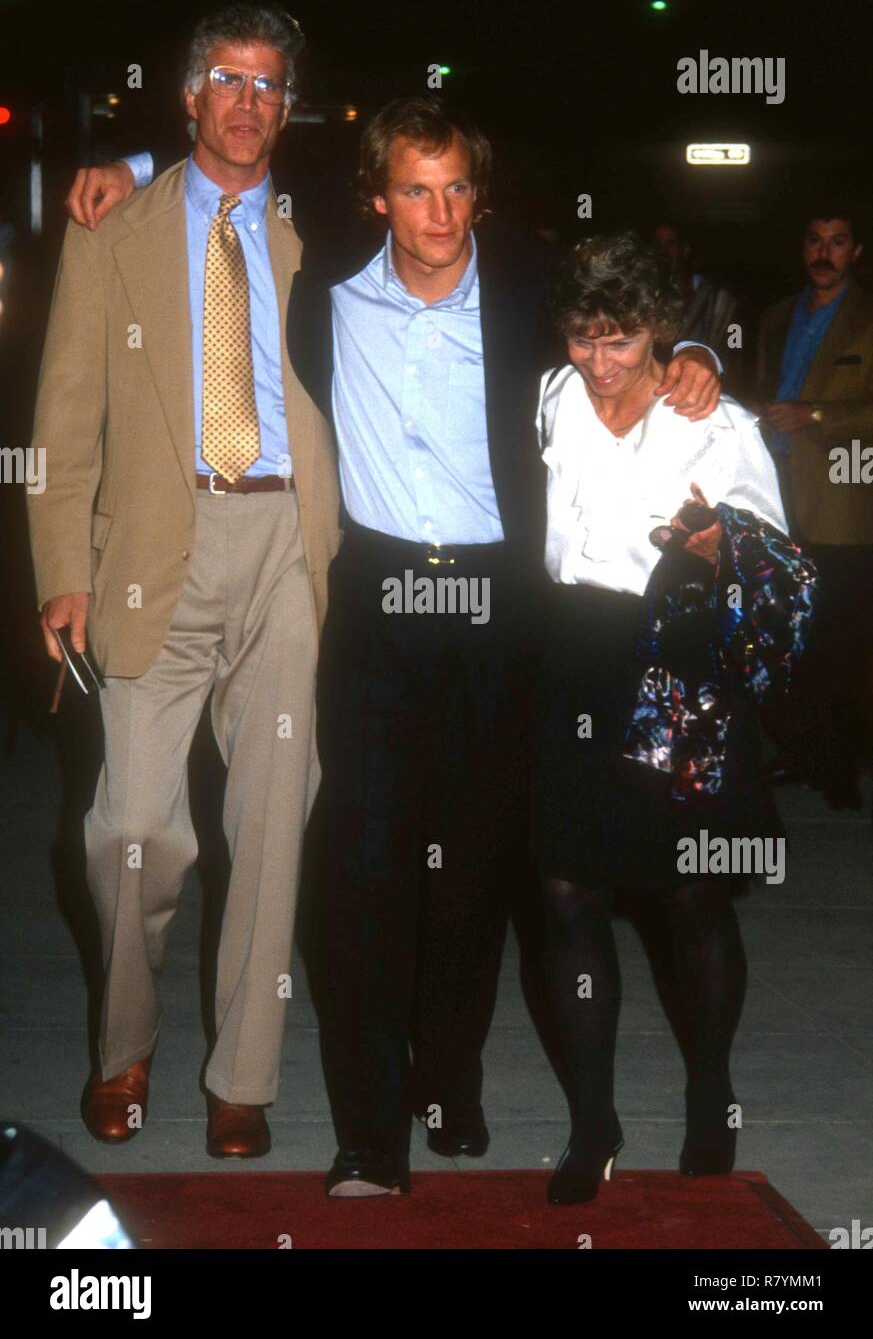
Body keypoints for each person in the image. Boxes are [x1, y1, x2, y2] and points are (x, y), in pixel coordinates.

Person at [65, 97, 723, 1199]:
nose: (439, 212)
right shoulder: (327, 279)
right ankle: (371, 1132)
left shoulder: (524, 281)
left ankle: (446, 1080)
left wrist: (696, 348)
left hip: (498, 603)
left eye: (458, 187)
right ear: (377, 196)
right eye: (415, 189)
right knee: (361, 870)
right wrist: (131, 156)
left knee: (471, 873)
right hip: (372, 594)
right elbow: (272, 140)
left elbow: (629, 305)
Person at [29, 2, 341, 1159]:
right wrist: (61, 570)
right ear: (191, 96)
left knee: (272, 822)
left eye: (269, 85)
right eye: (229, 80)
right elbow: (62, 417)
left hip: (283, 545)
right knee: (134, 831)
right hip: (149, 553)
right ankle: (124, 1045)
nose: (250, 102)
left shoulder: (330, 228)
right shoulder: (114, 226)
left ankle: (241, 1077)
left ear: (286, 105)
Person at [532, 231, 812, 1205]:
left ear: (659, 332)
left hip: (680, 670)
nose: (600, 365)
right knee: (566, 894)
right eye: (582, 338)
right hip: (572, 659)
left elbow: (775, 559)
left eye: (621, 341)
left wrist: (715, 541)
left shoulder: (718, 422)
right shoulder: (553, 399)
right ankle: (592, 1119)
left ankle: (708, 1087)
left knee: (690, 894)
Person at [756, 204, 873, 806]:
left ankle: (840, 766)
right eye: (814, 240)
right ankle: (803, 751)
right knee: (789, 637)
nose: (823, 252)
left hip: (842, 503)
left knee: (843, 639)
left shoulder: (867, 318)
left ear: (855, 252)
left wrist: (817, 415)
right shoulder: (776, 318)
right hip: (776, 502)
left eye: (837, 242)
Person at [653, 220, 740, 376]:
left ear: (684, 250)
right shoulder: (647, 299)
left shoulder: (720, 298)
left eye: (670, 244)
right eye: (658, 245)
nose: (663, 251)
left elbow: (734, 348)